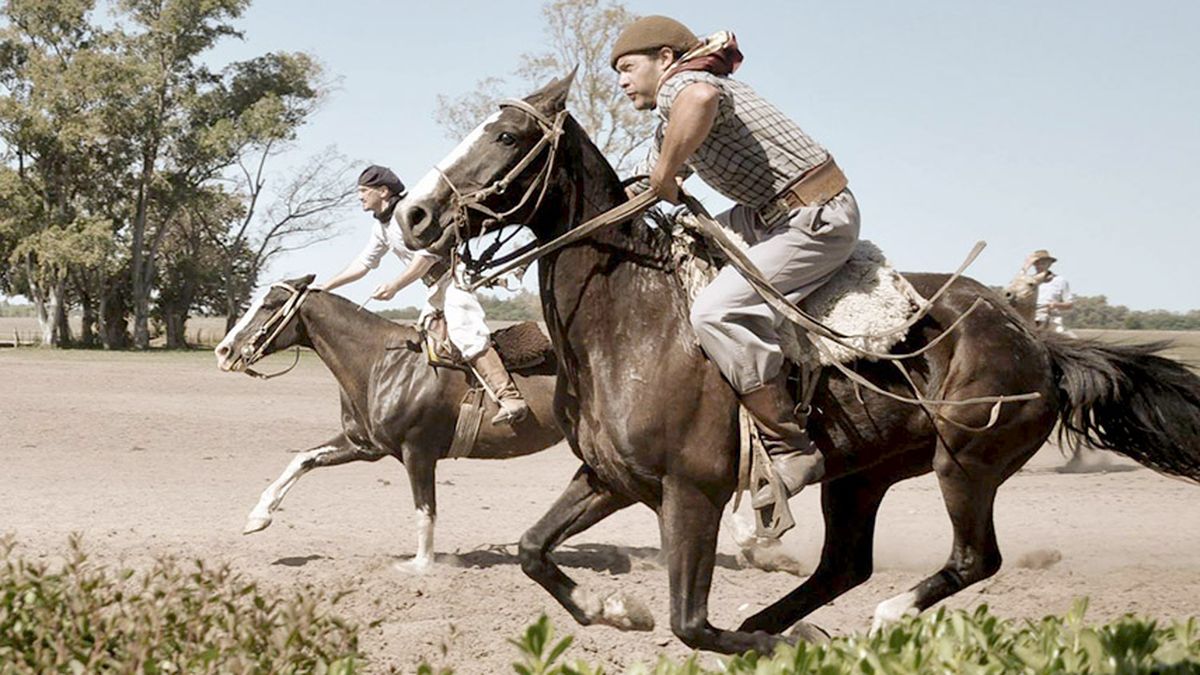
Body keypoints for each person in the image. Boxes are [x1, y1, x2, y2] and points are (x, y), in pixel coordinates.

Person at [611, 16, 860, 507]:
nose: (621, 81)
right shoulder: (675, 112)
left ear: (663, 59)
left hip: (815, 217)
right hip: (765, 215)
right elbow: (651, 176)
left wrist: (664, 175)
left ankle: (792, 447)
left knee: (714, 311)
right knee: (679, 248)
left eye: (627, 67)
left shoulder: (684, 83)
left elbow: (697, 105)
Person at [317, 165, 529, 424]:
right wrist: (325, 287)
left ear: (383, 191)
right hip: (436, 287)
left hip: (454, 279)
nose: (359, 196)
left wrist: (395, 285)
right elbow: (363, 264)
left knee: (465, 333)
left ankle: (510, 398)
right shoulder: (381, 228)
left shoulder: (411, 213)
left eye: (363, 191)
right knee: (429, 339)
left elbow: (426, 258)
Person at [1022, 249, 1074, 334]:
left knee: (1070, 339)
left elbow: (1069, 305)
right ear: (1034, 264)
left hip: (1052, 321)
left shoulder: (1060, 281)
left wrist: (1056, 305)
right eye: (1037, 262)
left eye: (1043, 262)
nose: (1040, 265)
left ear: (1049, 264)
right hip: (1030, 320)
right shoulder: (1028, 281)